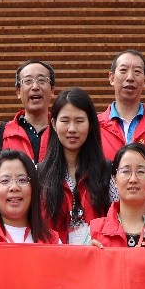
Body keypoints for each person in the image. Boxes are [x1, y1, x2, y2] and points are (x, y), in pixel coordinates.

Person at [38, 89, 113, 243]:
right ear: (53, 124)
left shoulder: (107, 172)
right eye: (65, 121)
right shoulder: (38, 173)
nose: (72, 129)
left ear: (90, 124)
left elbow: (118, 219)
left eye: (79, 121)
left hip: (96, 254)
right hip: (53, 256)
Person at [82, 144, 145, 247]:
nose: (133, 179)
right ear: (115, 180)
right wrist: (88, 255)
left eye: (140, 171)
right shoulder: (94, 231)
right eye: (126, 171)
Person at [100, 50, 145, 160]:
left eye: (137, 71)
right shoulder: (95, 127)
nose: (130, 77)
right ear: (111, 78)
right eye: (123, 70)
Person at [0, 60, 54, 161]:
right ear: (18, 91)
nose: (35, 87)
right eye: (28, 81)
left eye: (41, 80)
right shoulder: (0, 134)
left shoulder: (62, 132)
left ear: (52, 90)